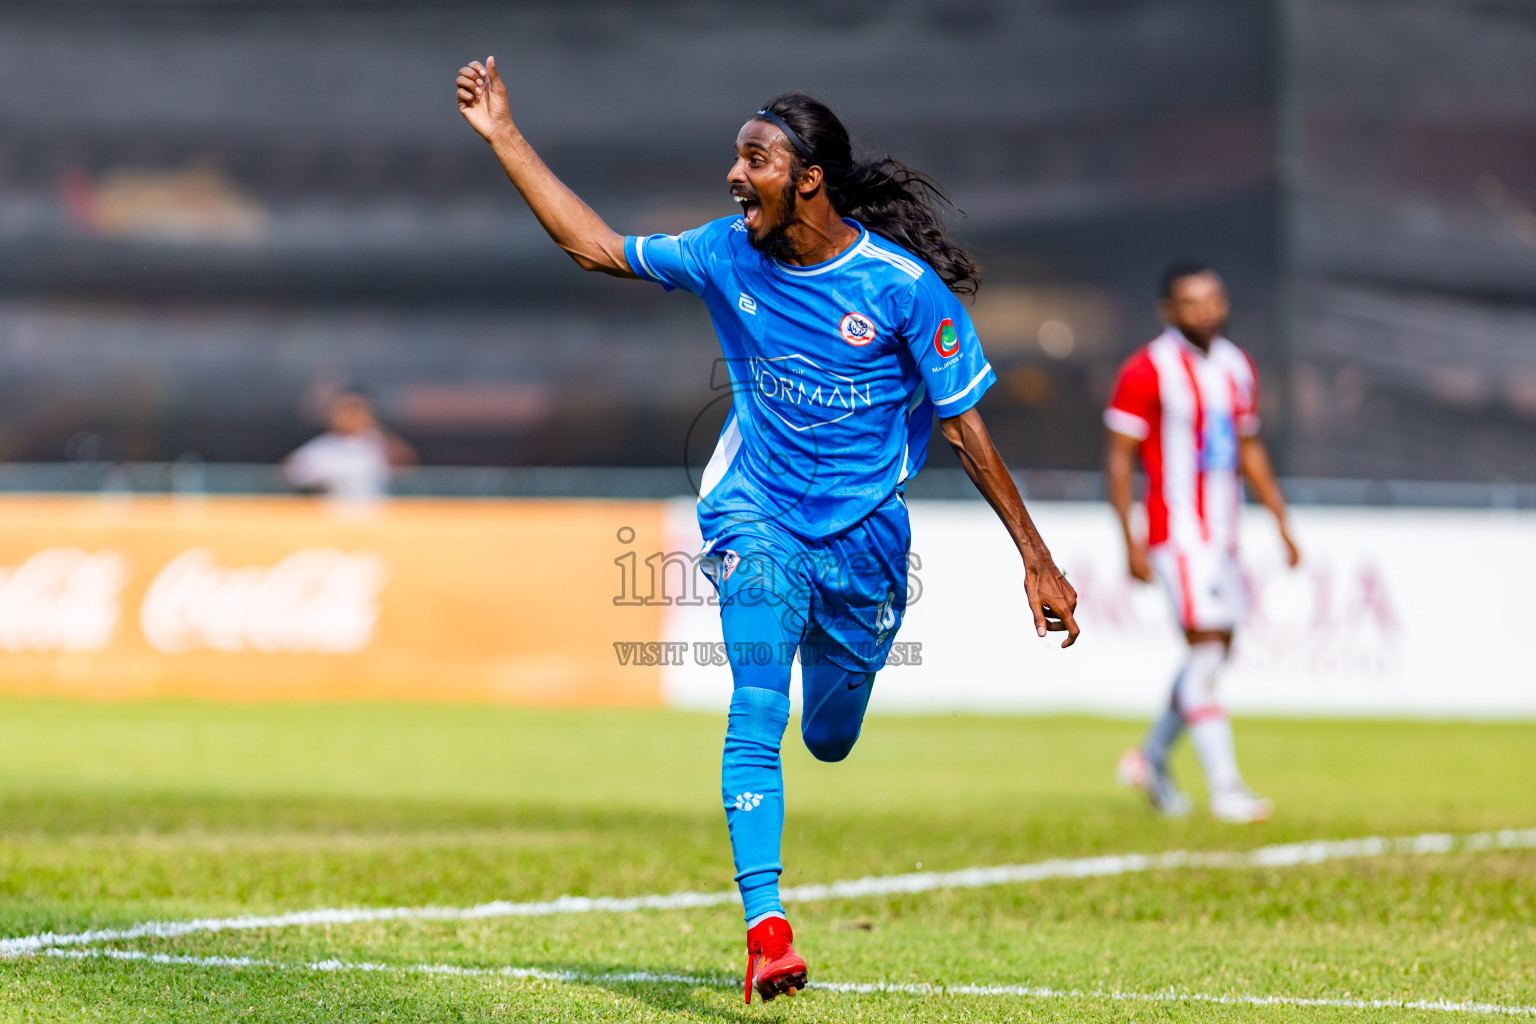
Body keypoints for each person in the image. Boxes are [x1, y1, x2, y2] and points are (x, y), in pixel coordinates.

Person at [455, 58, 1080, 1002]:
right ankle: (766, 928)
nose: (736, 176)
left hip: (866, 538)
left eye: (755, 159)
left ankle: (851, 680)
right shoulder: (722, 252)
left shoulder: (902, 289)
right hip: (757, 516)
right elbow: (596, 247)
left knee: (829, 736)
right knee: (756, 709)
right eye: (737, 158)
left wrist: (1036, 560)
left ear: (810, 179)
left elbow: (964, 425)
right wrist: (504, 134)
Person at [1105, 259, 1299, 824]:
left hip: (1224, 535)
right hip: (1177, 533)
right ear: (1169, 311)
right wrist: (1130, 538)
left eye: (1214, 298)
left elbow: (1250, 448)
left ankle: (1149, 758)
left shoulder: (1237, 367)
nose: (1207, 310)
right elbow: (1119, 459)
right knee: (1208, 649)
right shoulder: (1148, 369)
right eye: (1192, 302)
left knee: (1213, 652)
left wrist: (1281, 518)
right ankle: (1226, 788)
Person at [283, 389, 415, 506]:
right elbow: (289, 472)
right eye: (344, 410)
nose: (350, 415)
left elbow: (406, 463)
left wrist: (375, 426)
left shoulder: (380, 441)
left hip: (376, 521)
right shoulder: (322, 447)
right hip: (332, 521)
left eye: (357, 409)